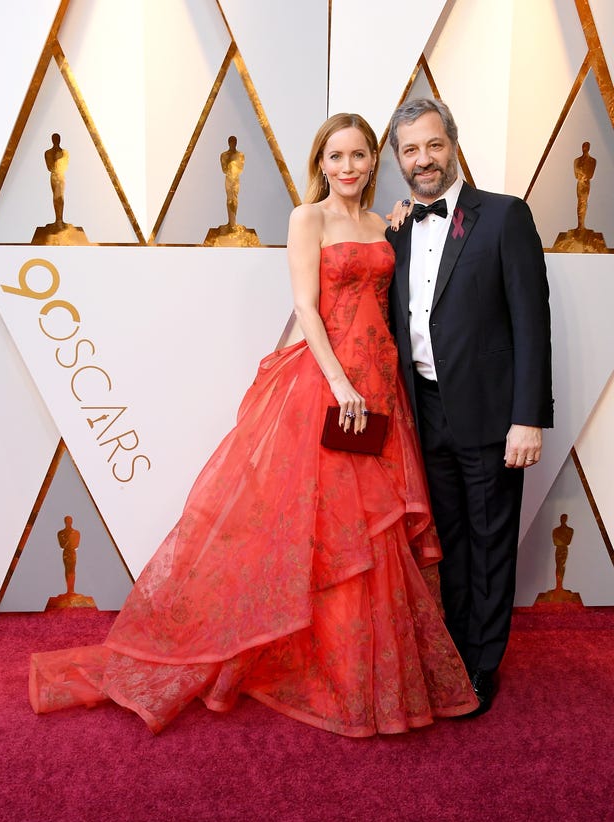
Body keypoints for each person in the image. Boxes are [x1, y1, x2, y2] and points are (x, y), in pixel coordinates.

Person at [29, 113, 478, 735]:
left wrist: (371, 379)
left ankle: (362, 672)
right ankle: (335, 673)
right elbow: (304, 306)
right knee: (330, 530)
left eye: (358, 156)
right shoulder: (308, 218)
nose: (347, 167)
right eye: (335, 156)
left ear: (374, 162)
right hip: (330, 386)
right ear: (320, 163)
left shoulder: (384, 224)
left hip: (383, 390)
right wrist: (341, 383)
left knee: (369, 532)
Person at [385, 98, 553, 715]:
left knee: (489, 543)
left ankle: (481, 668)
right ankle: (450, 656)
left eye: (433, 145)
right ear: (398, 159)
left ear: (452, 145)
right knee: (446, 543)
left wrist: (527, 417)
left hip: (491, 417)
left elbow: (532, 323)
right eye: (410, 150)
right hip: (421, 412)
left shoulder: (504, 217)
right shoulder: (399, 229)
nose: (423, 159)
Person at [44, 133, 69, 227]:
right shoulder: (48, 152)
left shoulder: (65, 152)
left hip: (61, 175)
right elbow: (49, 167)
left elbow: (65, 165)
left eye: (57, 139)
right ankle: (57, 219)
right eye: (54, 139)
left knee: (60, 196)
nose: (56, 140)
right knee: (55, 196)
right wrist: (55, 160)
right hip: (54, 175)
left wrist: (58, 162)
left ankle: (60, 220)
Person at [220, 135, 245, 229]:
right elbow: (223, 169)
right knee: (229, 199)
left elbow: (241, 168)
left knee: (234, 199)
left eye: (234, 142)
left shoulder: (240, 155)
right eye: (231, 142)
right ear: (229, 143)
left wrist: (233, 166)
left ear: (236, 143)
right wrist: (230, 165)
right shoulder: (224, 155)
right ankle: (230, 222)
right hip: (228, 179)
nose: (233, 144)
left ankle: (233, 222)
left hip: (236, 179)